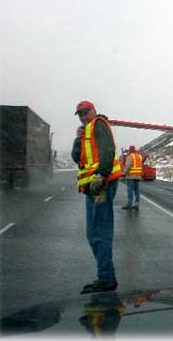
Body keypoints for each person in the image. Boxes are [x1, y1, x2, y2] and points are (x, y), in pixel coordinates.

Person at [71, 100, 122, 294]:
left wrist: (101, 175)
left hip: (101, 184)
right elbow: (78, 158)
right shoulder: (86, 132)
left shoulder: (99, 124)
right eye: (80, 114)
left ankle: (106, 278)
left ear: (94, 111)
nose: (83, 116)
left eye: (85, 112)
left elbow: (108, 150)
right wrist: (78, 139)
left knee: (99, 232)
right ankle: (106, 276)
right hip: (91, 187)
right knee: (93, 233)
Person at [122, 146, 143, 210]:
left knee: (130, 190)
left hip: (131, 176)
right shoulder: (139, 157)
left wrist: (124, 173)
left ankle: (129, 204)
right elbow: (141, 166)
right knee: (137, 190)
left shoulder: (130, 157)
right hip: (138, 176)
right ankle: (136, 204)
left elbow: (128, 166)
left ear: (130, 150)